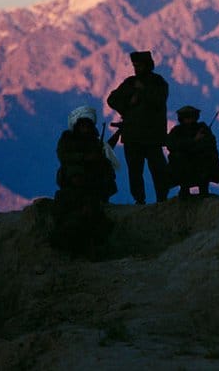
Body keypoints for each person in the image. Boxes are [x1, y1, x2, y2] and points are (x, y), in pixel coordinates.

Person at [52, 105, 118, 256]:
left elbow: (104, 157)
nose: (85, 129)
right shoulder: (68, 140)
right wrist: (84, 158)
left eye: (87, 126)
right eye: (82, 126)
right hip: (74, 183)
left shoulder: (94, 141)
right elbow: (64, 157)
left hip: (93, 184)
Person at [107, 50, 169, 204]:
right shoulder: (130, 83)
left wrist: (143, 92)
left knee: (159, 170)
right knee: (135, 172)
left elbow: (159, 100)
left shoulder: (158, 83)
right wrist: (128, 104)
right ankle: (139, 200)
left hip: (152, 137)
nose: (136, 69)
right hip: (132, 136)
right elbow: (112, 99)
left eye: (139, 66)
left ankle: (162, 199)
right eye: (135, 66)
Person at [165, 105, 219, 198]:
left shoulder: (202, 128)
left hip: (201, 162)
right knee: (178, 158)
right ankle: (185, 189)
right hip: (183, 163)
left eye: (191, 117)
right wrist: (193, 142)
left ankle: (203, 189)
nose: (189, 120)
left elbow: (210, 144)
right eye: (186, 118)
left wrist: (190, 147)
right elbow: (171, 145)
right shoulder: (177, 131)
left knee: (207, 157)